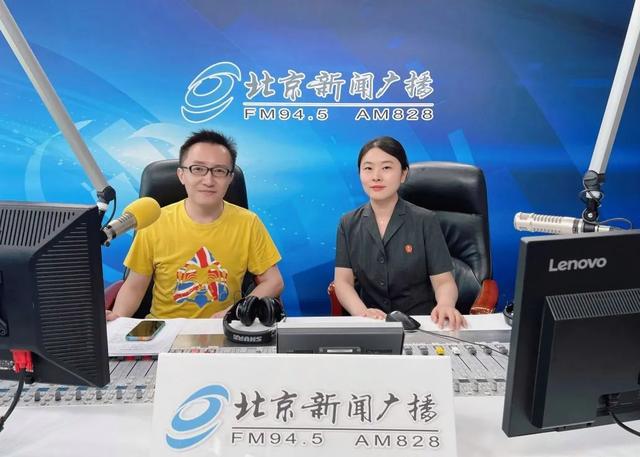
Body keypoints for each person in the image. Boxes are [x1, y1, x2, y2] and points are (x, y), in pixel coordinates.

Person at [107, 129, 283, 320]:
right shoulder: (154, 221)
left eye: (219, 171)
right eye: (198, 169)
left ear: (230, 178)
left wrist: (236, 311)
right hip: (164, 330)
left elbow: (273, 281)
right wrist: (117, 319)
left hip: (222, 329)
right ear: (181, 175)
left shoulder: (248, 223)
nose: (208, 180)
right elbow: (134, 287)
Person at [333, 136, 466, 330]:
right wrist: (363, 313)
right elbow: (343, 282)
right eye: (368, 168)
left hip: (420, 323)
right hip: (373, 325)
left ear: (403, 174)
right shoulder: (348, 223)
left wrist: (445, 304)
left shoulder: (425, 220)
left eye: (386, 167)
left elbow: (443, 281)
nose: (376, 176)